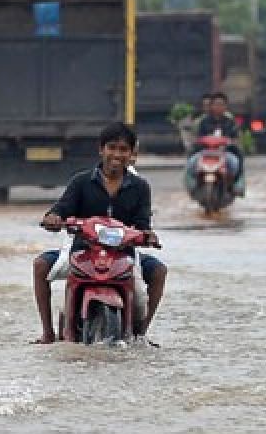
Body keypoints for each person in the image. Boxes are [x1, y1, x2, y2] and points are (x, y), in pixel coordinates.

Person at [31, 122, 167, 344]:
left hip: (124, 256)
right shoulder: (81, 182)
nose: (116, 154)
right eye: (112, 148)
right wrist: (53, 219)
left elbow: (142, 224)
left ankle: (141, 334)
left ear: (131, 154)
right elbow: (60, 210)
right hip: (81, 252)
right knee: (40, 266)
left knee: (159, 271)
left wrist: (147, 235)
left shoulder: (141, 187)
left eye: (123, 150)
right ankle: (47, 333)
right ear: (101, 149)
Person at [188, 92, 244, 194]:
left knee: (235, 162)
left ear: (226, 106)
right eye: (216, 104)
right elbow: (197, 137)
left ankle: (236, 184)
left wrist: (231, 142)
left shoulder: (230, 122)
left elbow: (236, 138)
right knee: (192, 161)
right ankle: (193, 184)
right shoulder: (203, 122)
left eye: (221, 104)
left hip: (225, 153)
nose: (219, 107)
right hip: (206, 153)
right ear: (211, 106)